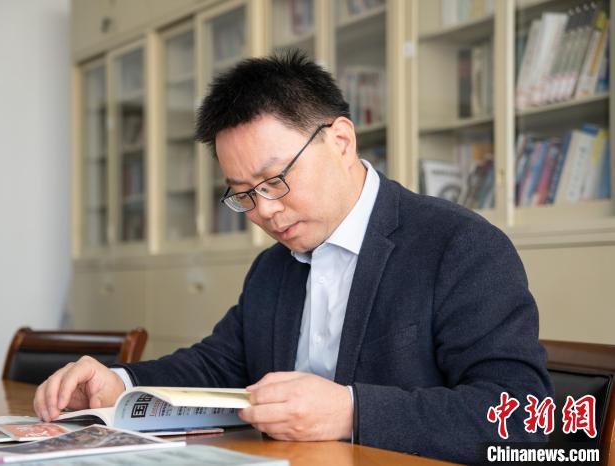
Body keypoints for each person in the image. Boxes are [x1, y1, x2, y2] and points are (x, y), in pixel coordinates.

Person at [34, 51, 552, 463]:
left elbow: (524, 416)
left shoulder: (457, 246)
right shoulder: (274, 265)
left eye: (276, 179)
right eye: (243, 193)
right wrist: (122, 383)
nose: (264, 210)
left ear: (341, 141)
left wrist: (351, 411)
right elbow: (220, 364)